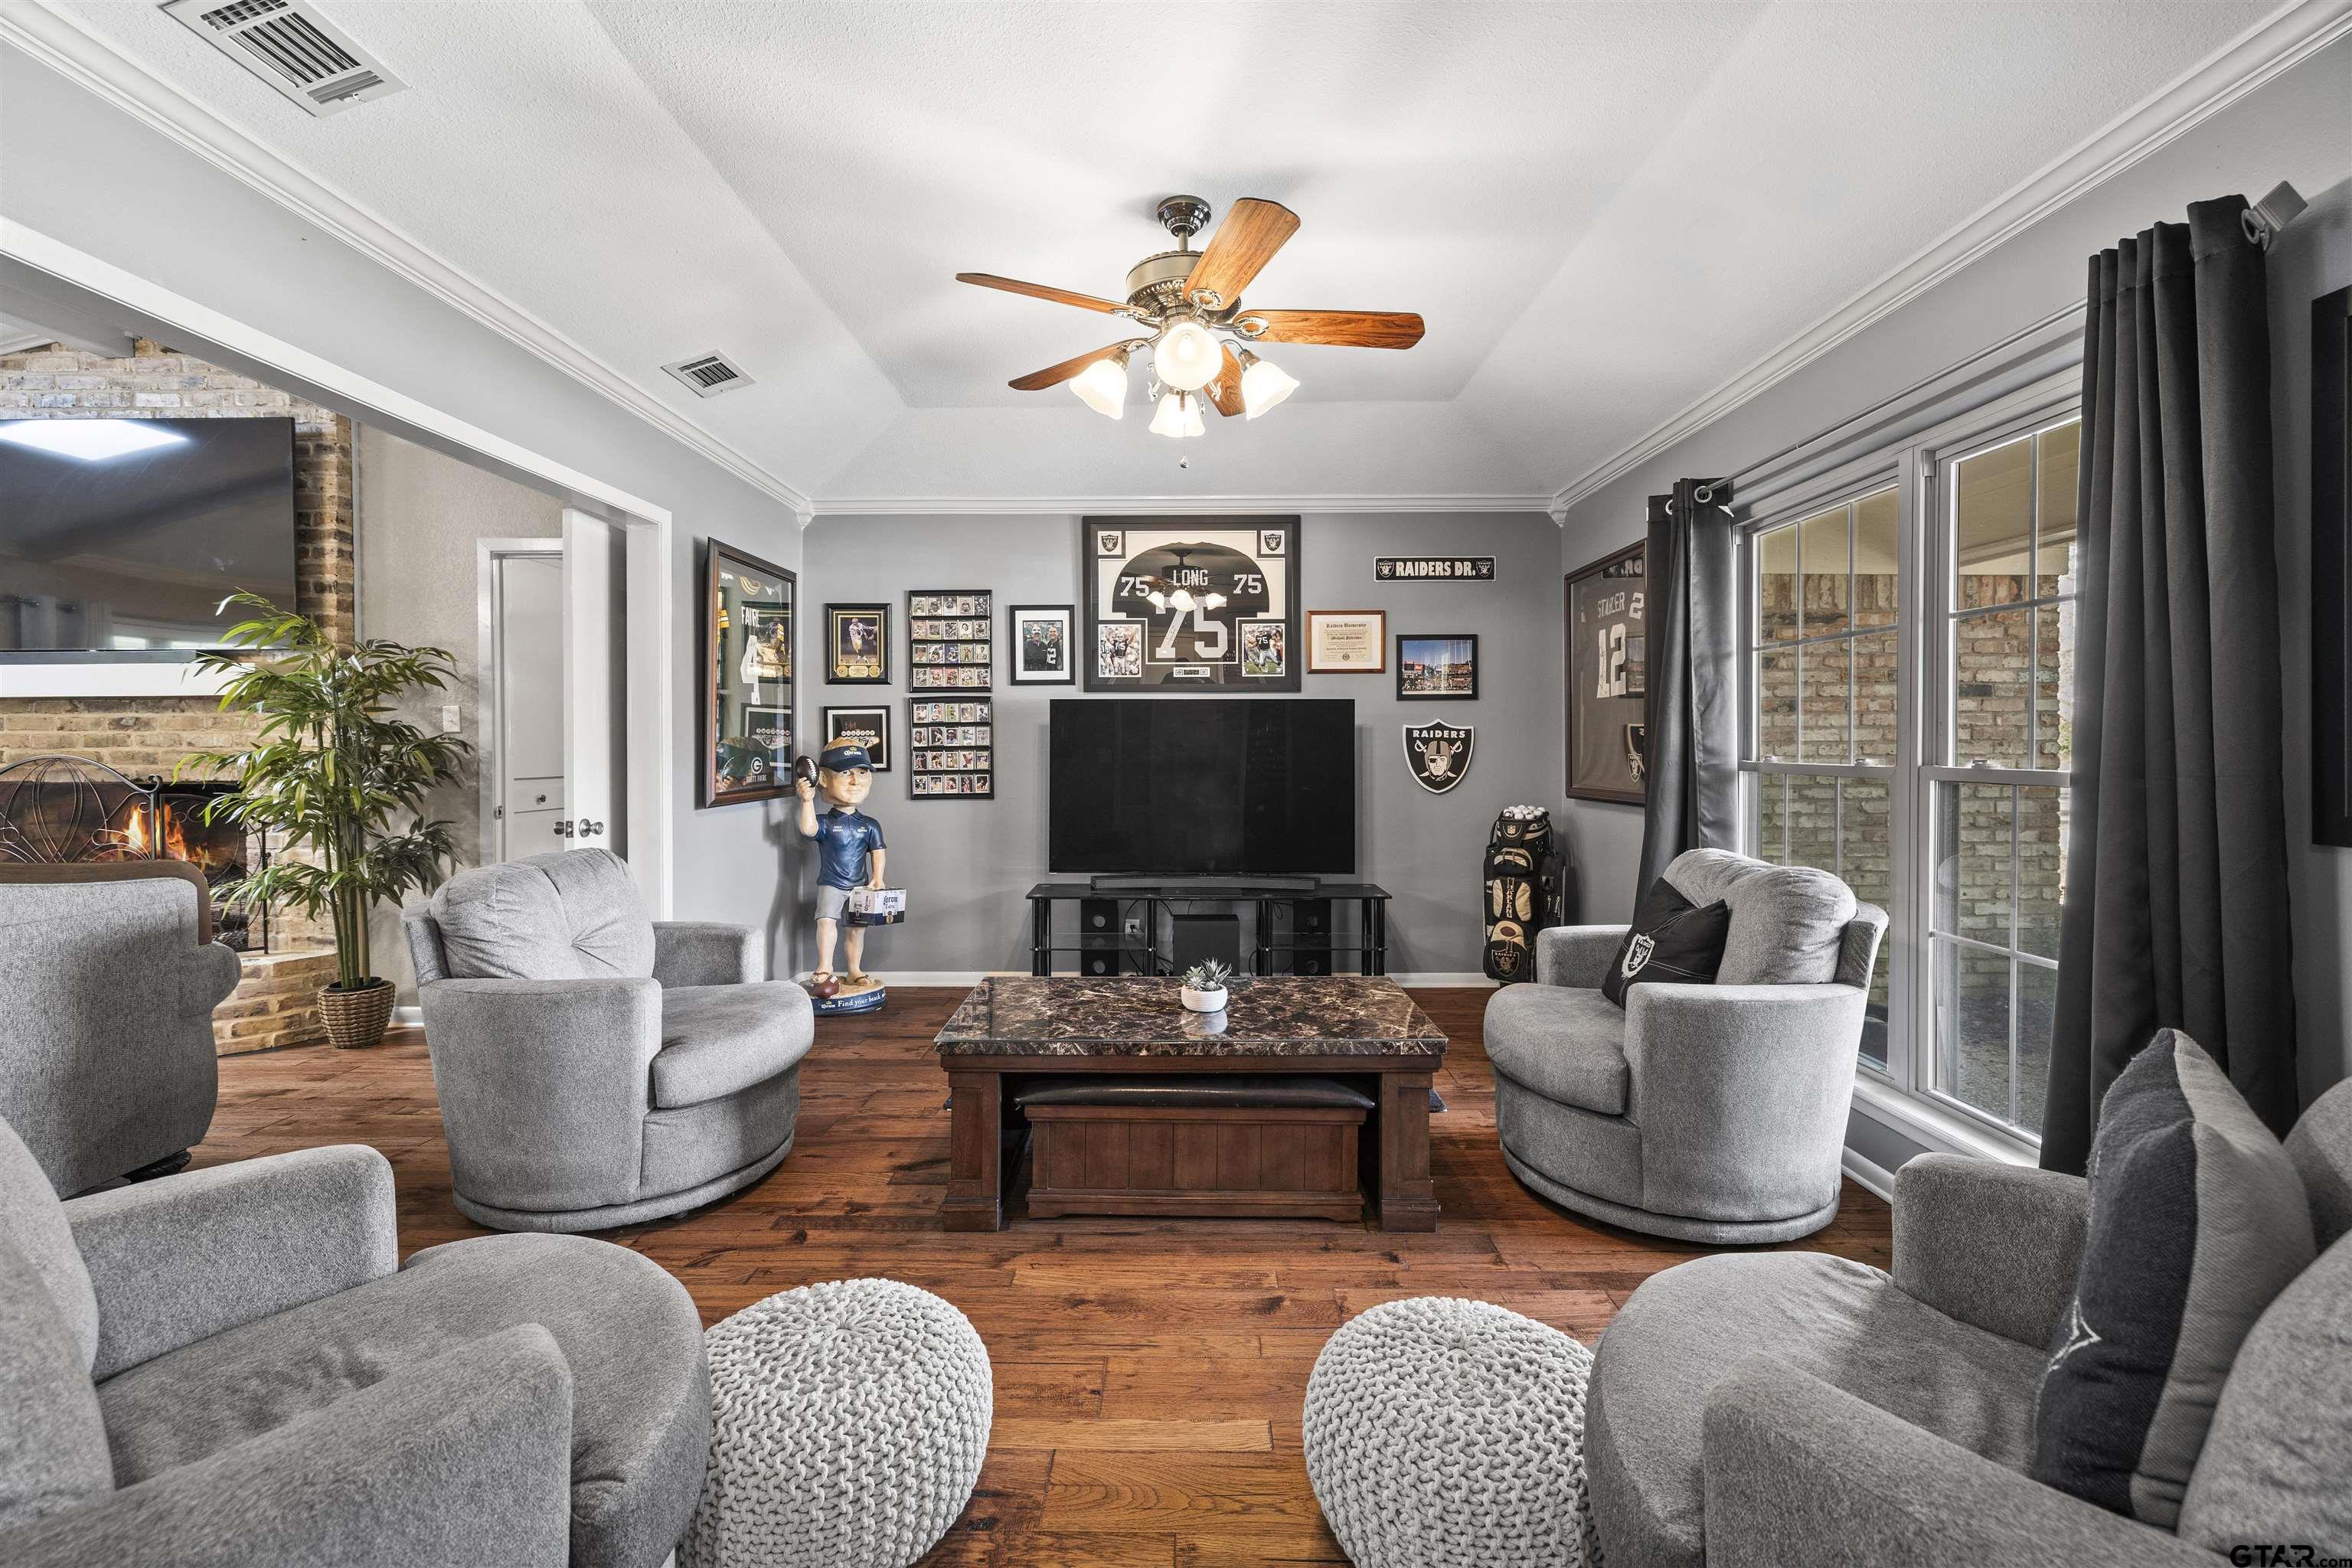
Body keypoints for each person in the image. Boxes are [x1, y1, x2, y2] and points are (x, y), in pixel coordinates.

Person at [795, 740, 887, 990]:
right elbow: (808, 828)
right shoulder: (824, 821)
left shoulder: (870, 824)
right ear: (823, 778)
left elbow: (877, 852)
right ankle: (825, 967)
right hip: (831, 883)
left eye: (862, 772)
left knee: (856, 930)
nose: (855, 781)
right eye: (845, 773)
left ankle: (854, 970)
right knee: (826, 921)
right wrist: (806, 801)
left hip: (860, 886)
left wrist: (878, 878)